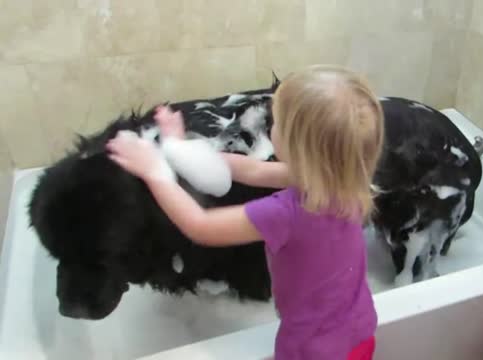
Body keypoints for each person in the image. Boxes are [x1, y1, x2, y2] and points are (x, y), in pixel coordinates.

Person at [106, 65, 384, 360]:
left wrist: (155, 172)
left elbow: (201, 226)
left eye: (276, 123)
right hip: (360, 334)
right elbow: (253, 169)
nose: (270, 126)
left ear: (298, 148)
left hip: (310, 350)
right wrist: (181, 150)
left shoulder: (286, 213)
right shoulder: (344, 183)